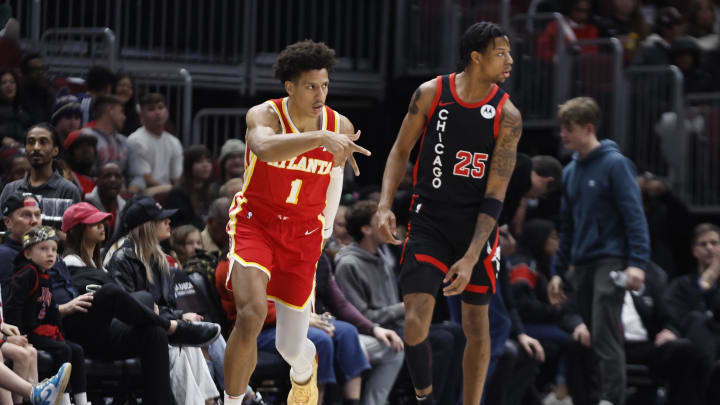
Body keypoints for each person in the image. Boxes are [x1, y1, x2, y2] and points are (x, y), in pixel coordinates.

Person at [376, 21, 520, 404]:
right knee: (414, 321)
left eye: (509, 52)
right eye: (501, 53)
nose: (510, 60)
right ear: (476, 57)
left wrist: (472, 255)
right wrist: (384, 205)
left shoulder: (508, 116)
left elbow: (495, 194)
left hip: (477, 227)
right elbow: (399, 151)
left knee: (476, 324)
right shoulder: (430, 93)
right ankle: (426, 397)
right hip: (429, 221)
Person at [223, 39, 370, 405]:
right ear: (290, 87)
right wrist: (320, 137)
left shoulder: (340, 124)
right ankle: (231, 401)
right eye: (310, 86)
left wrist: (324, 231)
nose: (320, 93)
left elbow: (335, 177)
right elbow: (264, 148)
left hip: (304, 234)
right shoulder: (266, 115)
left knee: (291, 347)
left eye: (324, 85)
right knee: (252, 314)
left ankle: (305, 374)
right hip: (256, 224)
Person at [60, 201, 220, 405]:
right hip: (85, 337)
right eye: (94, 223)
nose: (102, 225)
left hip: (111, 333)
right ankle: (173, 327)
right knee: (123, 295)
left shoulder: (102, 268)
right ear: (77, 230)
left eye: (102, 221)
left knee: (154, 331)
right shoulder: (66, 268)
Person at [548, 96, 650, 405]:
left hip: (611, 260)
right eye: (562, 128)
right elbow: (567, 226)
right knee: (594, 335)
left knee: (605, 334)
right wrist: (557, 273)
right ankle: (599, 397)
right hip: (583, 263)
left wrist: (637, 264)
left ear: (588, 128)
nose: (563, 134)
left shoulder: (615, 164)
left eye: (569, 128)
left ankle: (611, 400)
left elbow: (635, 216)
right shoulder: (570, 172)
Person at [335, 200, 465, 404]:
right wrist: (404, 308)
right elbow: (360, 316)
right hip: (376, 331)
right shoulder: (348, 264)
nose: (389, 225)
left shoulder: (382, 258)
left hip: (396, 326)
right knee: (441, 342)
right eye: (381, 220)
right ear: (366, 229)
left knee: (456, 333)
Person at [106, 196, 221, 405]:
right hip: (140, 333)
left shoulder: (160, 260)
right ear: (147, 226)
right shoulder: (122, 259)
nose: (169, 222)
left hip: (163, 327)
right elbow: (127, 310)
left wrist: (179, 316)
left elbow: (166, 306)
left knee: (189, 343)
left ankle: (209, 402)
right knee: (177, 348)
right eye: (162, 219)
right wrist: (177, 317)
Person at [6, 226, 88, 405]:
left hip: (43, 331)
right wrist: (17, 336)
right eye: (43, 249)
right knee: (64, 350)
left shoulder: (46, 276)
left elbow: (51, 310)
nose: (50, 254)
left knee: (76, 349)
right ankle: (63, 401)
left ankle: (82, 400)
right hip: (28, 332)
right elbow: (13, 307)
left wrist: (60, 334)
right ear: (28, 253)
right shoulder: (26, 273)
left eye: (53, 249)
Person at [0, 124, 81, 230]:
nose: (36, 147)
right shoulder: (10, 189)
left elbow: (75, 238)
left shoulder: (68, 190)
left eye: (43, 142)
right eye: (31, 142)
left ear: (55, 150)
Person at [127, 93, 183, 194]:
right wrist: (173, 190)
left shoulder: (174, 142)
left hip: (169, 191)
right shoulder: (136, 140)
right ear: (142, 115)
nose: (157, 112)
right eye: (151, 109)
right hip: (144, 192)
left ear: (167, 112)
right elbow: (146, 179)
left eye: (160, 108)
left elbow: (177, 177)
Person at [165, 145, 216, 229]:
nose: (205, 165)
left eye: (208, 161)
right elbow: (174, 224)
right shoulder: (178, 193)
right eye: (199, 161)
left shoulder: (212, 191)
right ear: (189, 166)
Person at [79, 95, 130, 177]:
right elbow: (84, 175)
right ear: (110, 110)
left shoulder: (124, 141)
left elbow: (133, 175)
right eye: (121, 112)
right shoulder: (85, 137)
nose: (124, 117)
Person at [84, 162, 126, 236]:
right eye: (107, 176)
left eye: (117, 176)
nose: (113, 180)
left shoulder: (125, 207)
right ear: (97, 180)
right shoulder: (85, 204)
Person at [0, 68, 31, 148]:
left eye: (12, 82)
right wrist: (1, 140)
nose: (8, 85)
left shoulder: (24, 108)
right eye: (4, 83)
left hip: (23, 147)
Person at [18, 54, 54, 124]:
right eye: (35, 70)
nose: (40, 73)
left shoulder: (49, 94)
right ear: (25, 74)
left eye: (42, 69)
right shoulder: (17, 97)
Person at [62, 130, 97, 196]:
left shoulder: (99, 180)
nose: (86, 150)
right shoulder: (67, 179)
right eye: (79, 147)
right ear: (70, 154)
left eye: (89, 145)